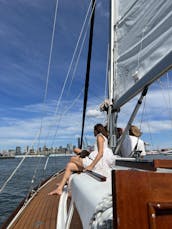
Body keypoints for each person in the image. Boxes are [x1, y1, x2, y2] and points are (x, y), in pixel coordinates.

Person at [48, 123, 115, 195]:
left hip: (97, 164)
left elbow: (101, 153)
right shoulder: (103, 138)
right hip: (96, 161)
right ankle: (59, 189)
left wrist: (91, 166)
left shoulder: (99, 136)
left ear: (96, 130)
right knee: (69, 165)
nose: (93, 132)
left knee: (73, 159)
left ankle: (68, 181)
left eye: (94, 130)